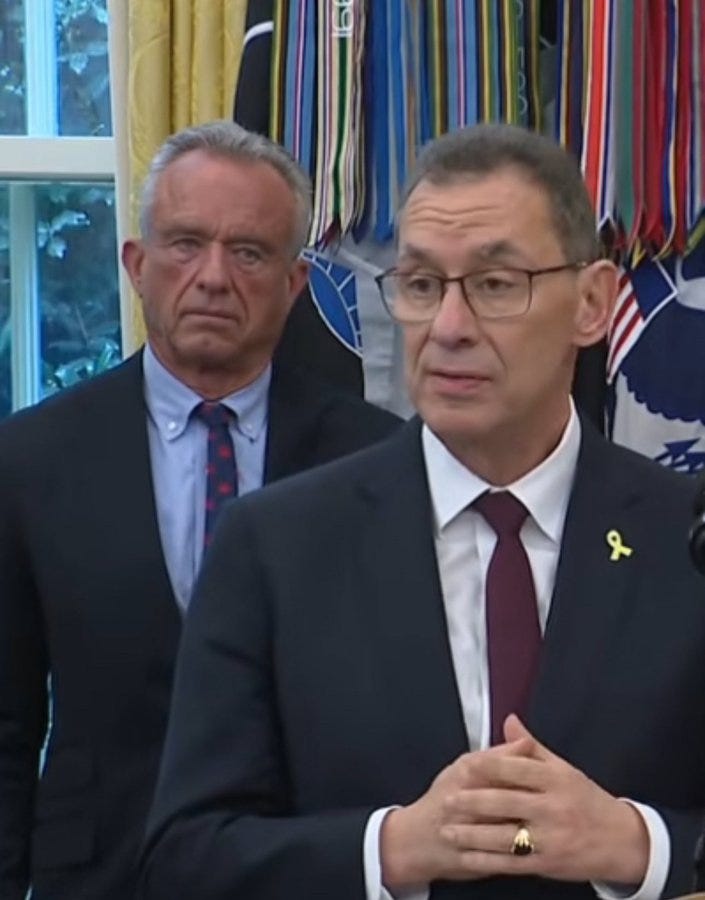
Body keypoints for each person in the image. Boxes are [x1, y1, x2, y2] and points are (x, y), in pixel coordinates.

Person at [139, 123, 705, 900]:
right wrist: (390, 848)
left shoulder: (685, 538)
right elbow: (183, 858)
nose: (447, 328)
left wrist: (636, 845)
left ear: (592, 304)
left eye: (495, 285)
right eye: (420, 285)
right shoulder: (274, 546)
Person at [0, 120, 399, 900]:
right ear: (136, 266)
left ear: (292, 285)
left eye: (248, 252)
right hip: (102, 874)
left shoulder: (379, 463)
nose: (213, 276)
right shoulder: (29, 460)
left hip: (310, 873)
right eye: (185, 244)